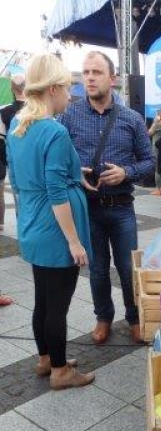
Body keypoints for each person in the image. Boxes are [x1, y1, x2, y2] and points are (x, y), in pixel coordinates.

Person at [6, 53, 94, 391]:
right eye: (68, 88)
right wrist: (74, 241)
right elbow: (56, 192)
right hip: (56, 231)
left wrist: (76, 174)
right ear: (53, 89)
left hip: (32, 224)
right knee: (57, 305)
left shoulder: (18, 125)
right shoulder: (54, 131)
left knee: (43, 299)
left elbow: (22, 176)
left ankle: (46, 358)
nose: (71, 95)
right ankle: (60, 371)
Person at [60, 50, 154, 345]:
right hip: (89, 209)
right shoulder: (70, 115)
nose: (89, 77)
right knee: (98, 269)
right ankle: (103, 318)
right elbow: (59, 160)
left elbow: (150, 161)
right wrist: (75, 172)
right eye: (86, 72)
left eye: (97, 72)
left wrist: (126, 172)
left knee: (128, 268)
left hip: (122, 208)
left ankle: (135, 318)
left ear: (112, 79)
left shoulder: (132, 119)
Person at [0, 73, 26, 229]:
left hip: (15, 163)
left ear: (11, 87)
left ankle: (23, 232)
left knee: (19, 200)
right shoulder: (38, 109)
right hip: (36, 162)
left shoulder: (3, 111)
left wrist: (7, 161)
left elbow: (1, 141)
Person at [148, 108, 161, 196]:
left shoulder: (158, 124)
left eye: (156, 114)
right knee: (160, 169)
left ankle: (160, 189)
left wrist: (155, 122)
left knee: (157, 170)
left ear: (159, 115)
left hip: (157, 150)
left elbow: (149, 133)